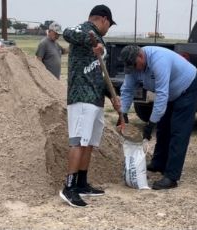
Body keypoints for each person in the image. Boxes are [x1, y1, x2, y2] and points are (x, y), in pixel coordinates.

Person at [118, 45, 197, 190]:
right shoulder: (132, 65)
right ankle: (158, 162)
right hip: (171, 91)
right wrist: (123, 113)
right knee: (163, 127)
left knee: (178, 131)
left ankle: (171, 176)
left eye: (135, 66)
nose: (134, 70)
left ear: (140, 56)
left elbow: (162, 95)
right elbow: (127, 90)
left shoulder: (159, 60)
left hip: (188, 87)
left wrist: (150, 124)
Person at [59, 4, 117, 207]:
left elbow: (101, 74)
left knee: (89, 143)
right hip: (81, 96)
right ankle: (69, 187)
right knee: (78, 142)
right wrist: (91, 41)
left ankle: (82, 183)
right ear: (103, 19)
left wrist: (112, 96)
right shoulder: (83, 30)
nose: (108, 29)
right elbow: (66, 32)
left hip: (95, 98)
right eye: (109, 25)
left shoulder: (101, 39)